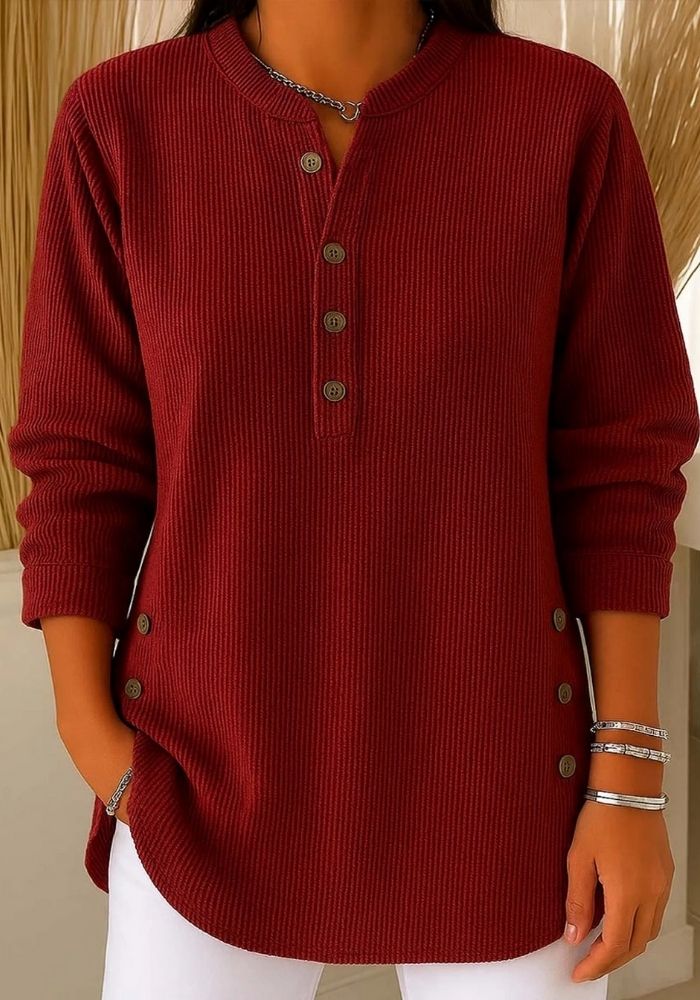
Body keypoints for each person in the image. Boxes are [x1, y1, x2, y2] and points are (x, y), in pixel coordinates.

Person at [7, 1, 699, 998]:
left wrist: (629, 779)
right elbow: (81, 462)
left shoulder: (562, 116)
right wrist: (98, 745)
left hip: (504, 791)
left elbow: (619, 467)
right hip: (197, 789)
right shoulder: (121, 120)